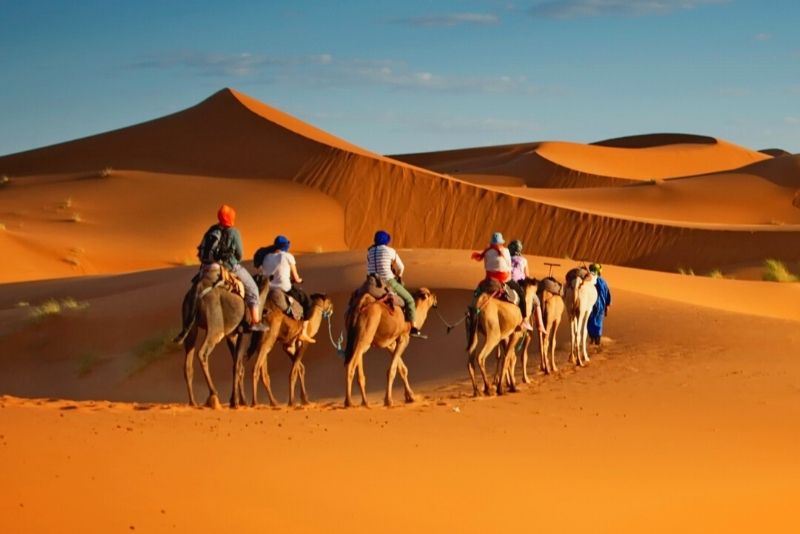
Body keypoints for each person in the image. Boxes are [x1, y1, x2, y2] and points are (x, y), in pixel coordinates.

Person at [198, 204, 264, 331]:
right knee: (253, 288)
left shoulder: (212, 229)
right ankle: (255, 322)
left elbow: (202, 248)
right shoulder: (234, 232)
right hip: (229, 266)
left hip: (206, 267)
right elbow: (239, 255)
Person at [367, 230, 423, 337]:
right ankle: (413, 327)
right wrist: (399, 275)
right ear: (386, 241)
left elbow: (368, 268)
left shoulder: (370, 251)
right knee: (410, 300)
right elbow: (401, 267)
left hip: (371, 282)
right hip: (388, 281)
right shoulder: (390, 251)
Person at [260, 235, 315, 343]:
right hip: (284, 288)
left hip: (268, 289)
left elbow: (264, 274)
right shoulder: (288, 256)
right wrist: (299, 280)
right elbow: (295, 277)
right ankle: (303, 333)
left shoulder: (266, 257)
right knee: (307, 302)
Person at [471, 232, 532, 330]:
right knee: (521, 293)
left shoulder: (487, 252)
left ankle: (471, 309)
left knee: (477, 290)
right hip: (504, 279)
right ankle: (524, 320)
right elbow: (508, 266)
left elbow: (486, 266)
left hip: (489, 278)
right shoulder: (506, 251)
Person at [509, 240, 545, 333]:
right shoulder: (524, 260)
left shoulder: (506, 258)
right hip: (519, 283)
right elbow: (527, 275)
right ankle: (540, 325)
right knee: (536, 300)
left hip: (506, 281)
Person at [587, 263, 611, 345]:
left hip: (592, 306)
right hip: (600, 307)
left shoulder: (590, 282)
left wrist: (607, 305)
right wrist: (607, 306)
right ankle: (596, 342)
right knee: (597, 324)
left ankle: (594, 342)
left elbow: (607, 294)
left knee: (591, 323)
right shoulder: (604, 282)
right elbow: (608, 295)